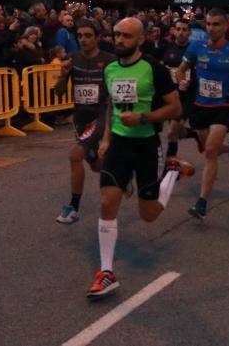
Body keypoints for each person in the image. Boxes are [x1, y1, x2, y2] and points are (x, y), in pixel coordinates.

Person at [87, 17, 182, 299]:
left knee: (149, 215)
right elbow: (110, 105)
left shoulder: (154, 68)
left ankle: (173, 170)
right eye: (116, 35)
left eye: (126, 36)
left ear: (140, 39)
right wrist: (105, 138)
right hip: (118, 144)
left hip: (146, 145)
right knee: (107, 201)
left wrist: (144, 117)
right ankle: (106, 272)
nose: (119, 41)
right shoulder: (111, 69)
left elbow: (175, 108)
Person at [177, 9, 229, 220]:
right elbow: (181, 69)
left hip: (223, 105)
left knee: (211, 151)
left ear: (225, 26)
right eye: (209, 24)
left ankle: (202, 202)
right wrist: (182, 81)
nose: (211, 28)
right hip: (200, 106)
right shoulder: (196, 47)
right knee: (209, 148)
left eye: (216, 24)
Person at [53, 20, 117, 225]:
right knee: (96, 164)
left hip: (101, 115)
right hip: (80, 116)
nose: (83, 39)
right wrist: (63, 75)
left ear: (97, 37)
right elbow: (58, 93)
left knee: (75, 155)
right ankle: (120, 173)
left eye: (88, 35)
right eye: (80, 36)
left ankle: (73, 207)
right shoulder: (72, 59)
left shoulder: (109, 60)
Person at [161, 18, 202, 165]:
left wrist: (188, 82)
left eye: (184, 30)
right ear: (173, 30)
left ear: (189, 33)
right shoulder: (166, 48)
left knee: (171, 132)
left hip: (187, 97)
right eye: (178, 29)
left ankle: (170, 163)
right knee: (177, 131)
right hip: (170, 95)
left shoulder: (193, 50)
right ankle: (194, 134)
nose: (181, 33)